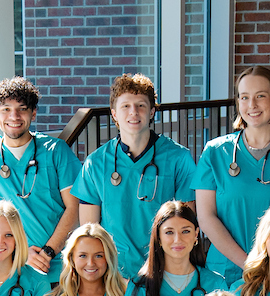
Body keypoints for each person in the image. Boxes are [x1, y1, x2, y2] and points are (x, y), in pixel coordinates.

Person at [194, 67, 270, 286]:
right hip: (225, 272)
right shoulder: (215, 152)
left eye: (260, 96)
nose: (252, 105)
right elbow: (206, 217)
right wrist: (250, 264)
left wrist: (269, 268)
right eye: (244, 97)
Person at [73, 73, 196, 278]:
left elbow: (187, 225)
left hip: (164, 270)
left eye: (141, 105)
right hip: (113, 273)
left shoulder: (178, 158)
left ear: (152, 112)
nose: (134, 112)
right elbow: (90, 232)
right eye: (125, 106)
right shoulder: (95, 164)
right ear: (114, 114)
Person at [0, 77, 81, 286]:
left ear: (33, 113)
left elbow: (74, 208)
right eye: (6, 109)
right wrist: (22, 252)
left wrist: (47, 252)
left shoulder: (56, 151)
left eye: (22, 109)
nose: (14, 116)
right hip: (10, 270)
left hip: (59, 269)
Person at [125, 201, 227, 296]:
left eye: (185, 231)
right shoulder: (139, 286)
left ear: (196, 234)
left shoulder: (215, 285)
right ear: (158, 237)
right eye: (169, 232)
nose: (178, 239)